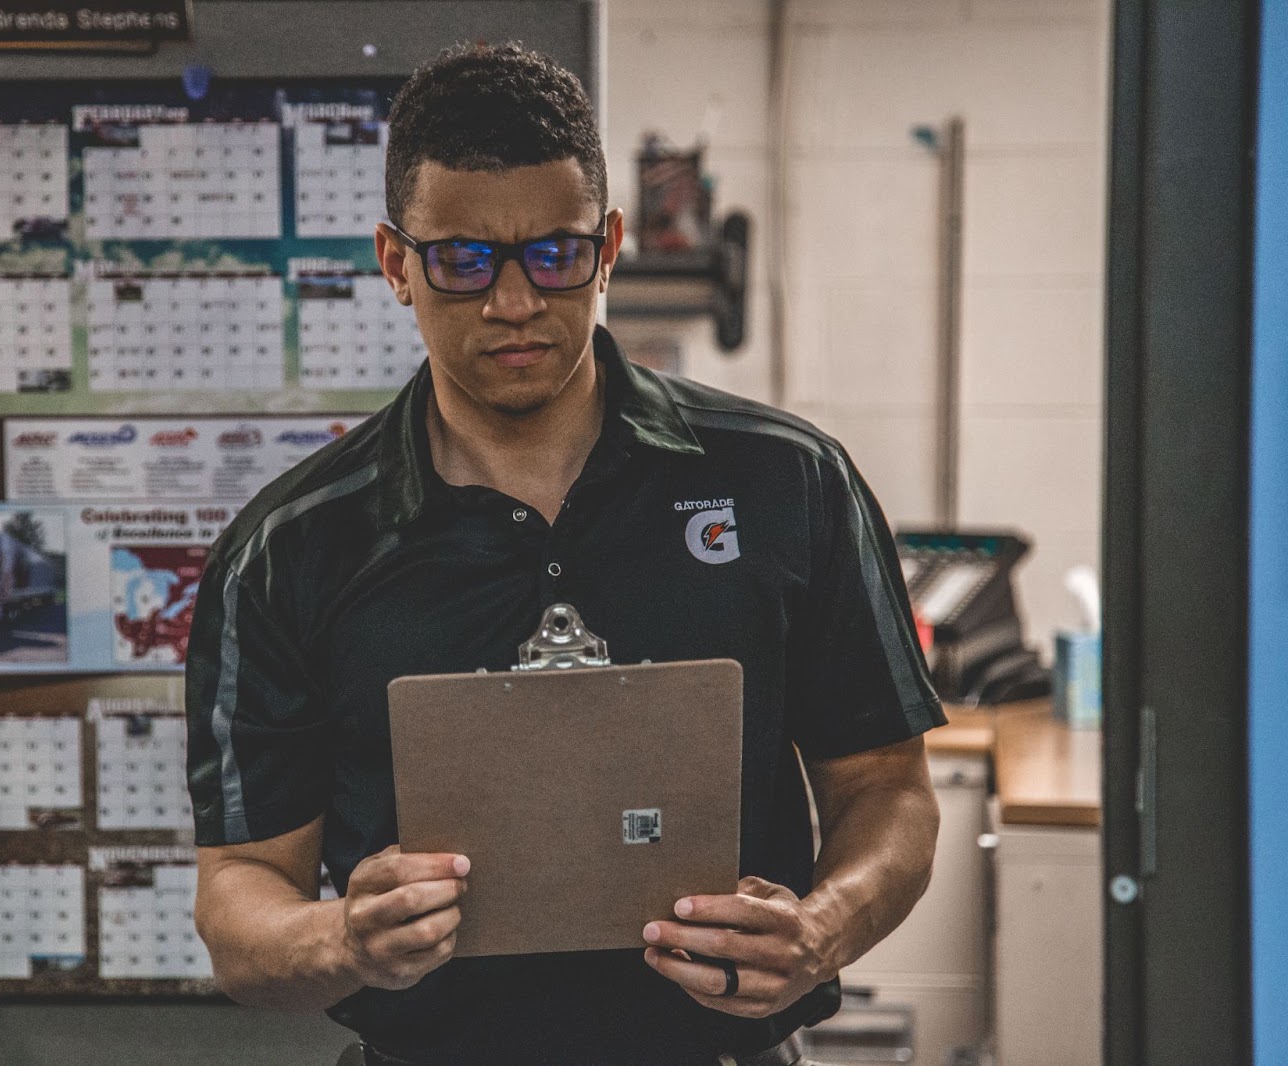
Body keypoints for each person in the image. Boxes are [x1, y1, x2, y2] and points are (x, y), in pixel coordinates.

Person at [185, 42, 945, 1066]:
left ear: (610, 246)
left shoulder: (787, 482)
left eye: (554, 254)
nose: (513, 303)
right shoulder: (289, 549)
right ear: (395, 263)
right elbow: (239, 898)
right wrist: (344, 936)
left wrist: (821, 931)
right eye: (462, 260)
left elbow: (887, 791)